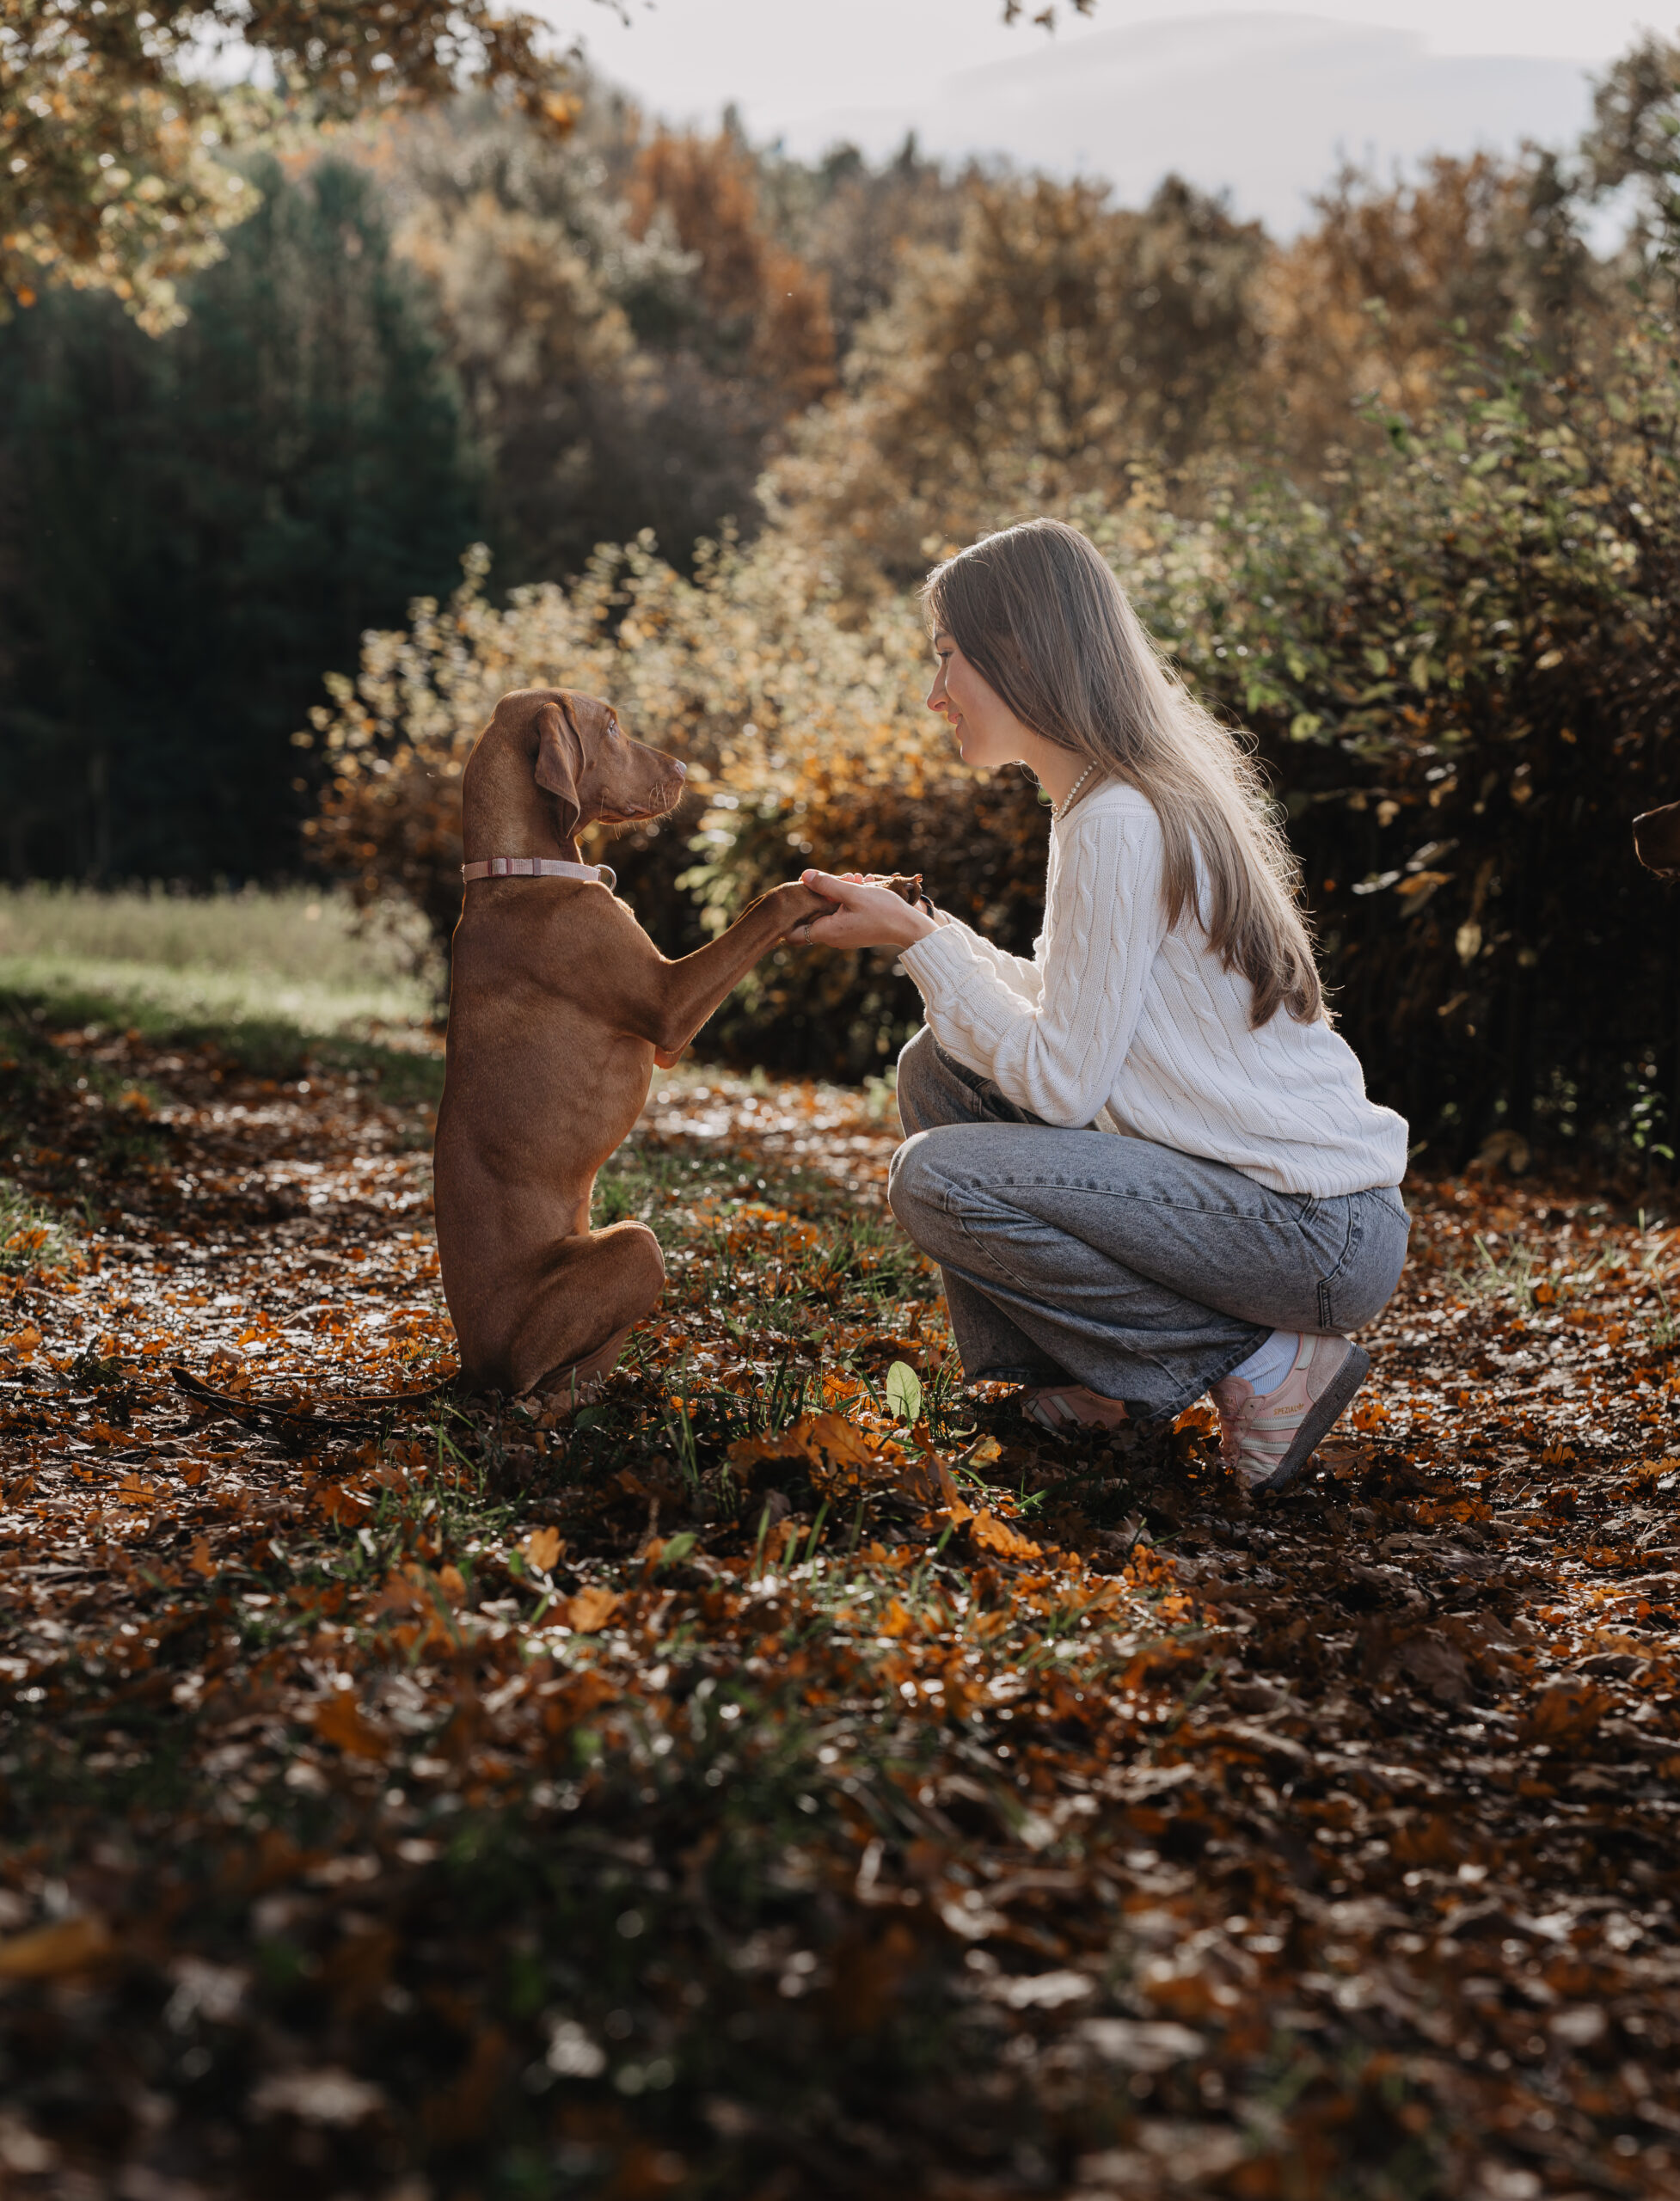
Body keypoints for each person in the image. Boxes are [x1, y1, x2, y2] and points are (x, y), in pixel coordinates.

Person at [794, 518, 1409, 1493]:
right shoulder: (1103, 800)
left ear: (1023, 650)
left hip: (1310, 1232)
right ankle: (1094, 1383)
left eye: (948, 657)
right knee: (934, 1068)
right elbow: (1074, 1011)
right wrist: (923, 928)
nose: (934, 691)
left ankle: (1267, 1366)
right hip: (1294, 1219)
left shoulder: (1116, 817)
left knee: (935, 1178)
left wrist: (924, 944)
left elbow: (1064, 1084)